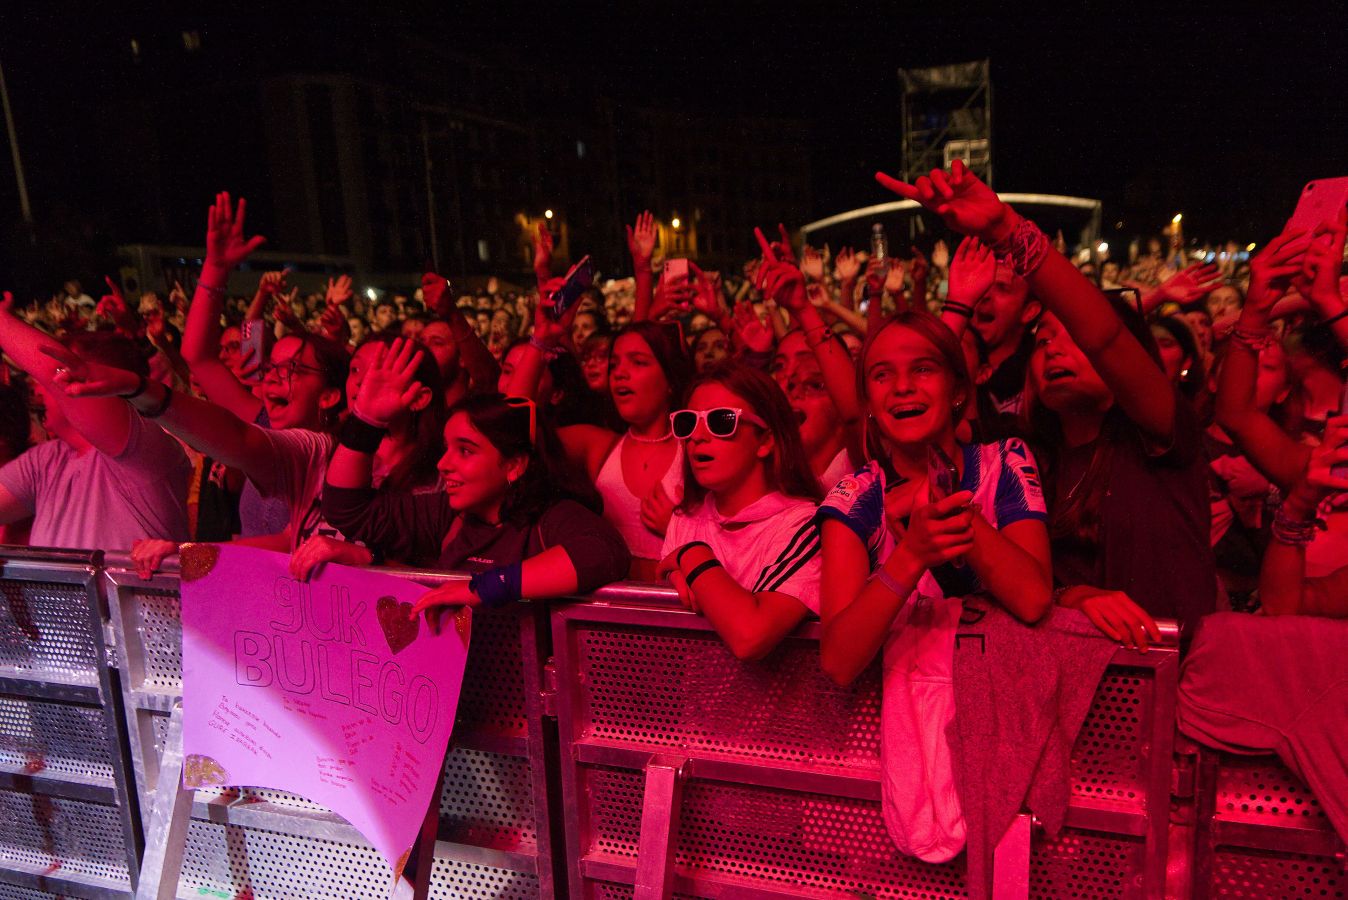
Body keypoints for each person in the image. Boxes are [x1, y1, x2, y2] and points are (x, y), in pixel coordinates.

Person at [878, 159, 1213, 640]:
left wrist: (1005, 229)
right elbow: (923, 415)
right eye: (1045, 339)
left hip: (1178, 677)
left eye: (1071, 334)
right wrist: (1071, 597)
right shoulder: (1021, 457)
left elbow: (1105, 338)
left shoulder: (1158, 436)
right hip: (1073, 684)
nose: (1055, 346)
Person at [321, 375, 629, 616]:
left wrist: (482, 588)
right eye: (446, 449)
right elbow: (346, 509)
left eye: (465, 451)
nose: (443, 464)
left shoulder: (551, 518)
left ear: (514, 465)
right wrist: (367, 422)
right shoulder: (449, 516)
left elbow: (602, 552)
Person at [506, 296, 692, 581]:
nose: (620, 374)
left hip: (677, 614)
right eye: (615, 365)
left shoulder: (695, 447)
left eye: (638, 362)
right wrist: (540, 341)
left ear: (670, 380)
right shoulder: (599, 446)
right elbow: (511, 428)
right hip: (609, 613)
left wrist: (682, 530)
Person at [657, 363, 824, 660]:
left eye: (720, 421)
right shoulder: (685, 518)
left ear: (766, 440)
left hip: (777, 706)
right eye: (688, 422)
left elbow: (751, 636)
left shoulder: (805, 525)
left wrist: (691, 555)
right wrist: (671, 571)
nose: (697, 437)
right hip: (696, 704)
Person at [0, 297, 191, 550]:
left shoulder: (143, 450)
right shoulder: (48, 460)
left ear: (104, 384)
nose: (38, 387)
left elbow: (47, 365)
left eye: (61, 374)